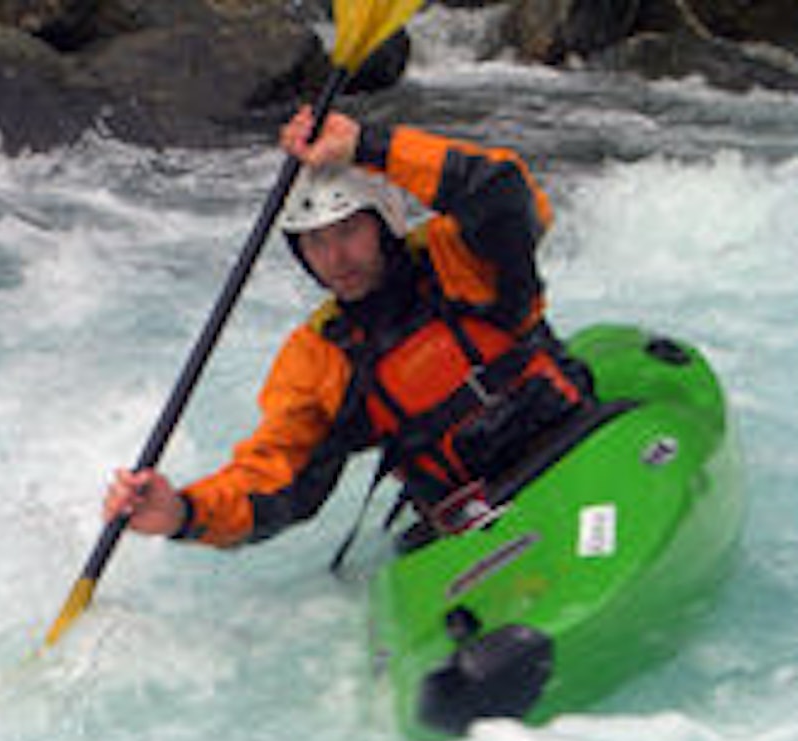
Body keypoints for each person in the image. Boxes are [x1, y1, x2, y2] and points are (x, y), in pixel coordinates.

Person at [104, 106, 592, 549]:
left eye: (349, 231)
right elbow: (279, 479)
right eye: (315, 242)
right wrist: (183, 513)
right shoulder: (321, 357)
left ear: (384, 222)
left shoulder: (458, 257)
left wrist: (369, 146)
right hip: (473, 516)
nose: (335, 258)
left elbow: (499, 186)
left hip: (576, 442)